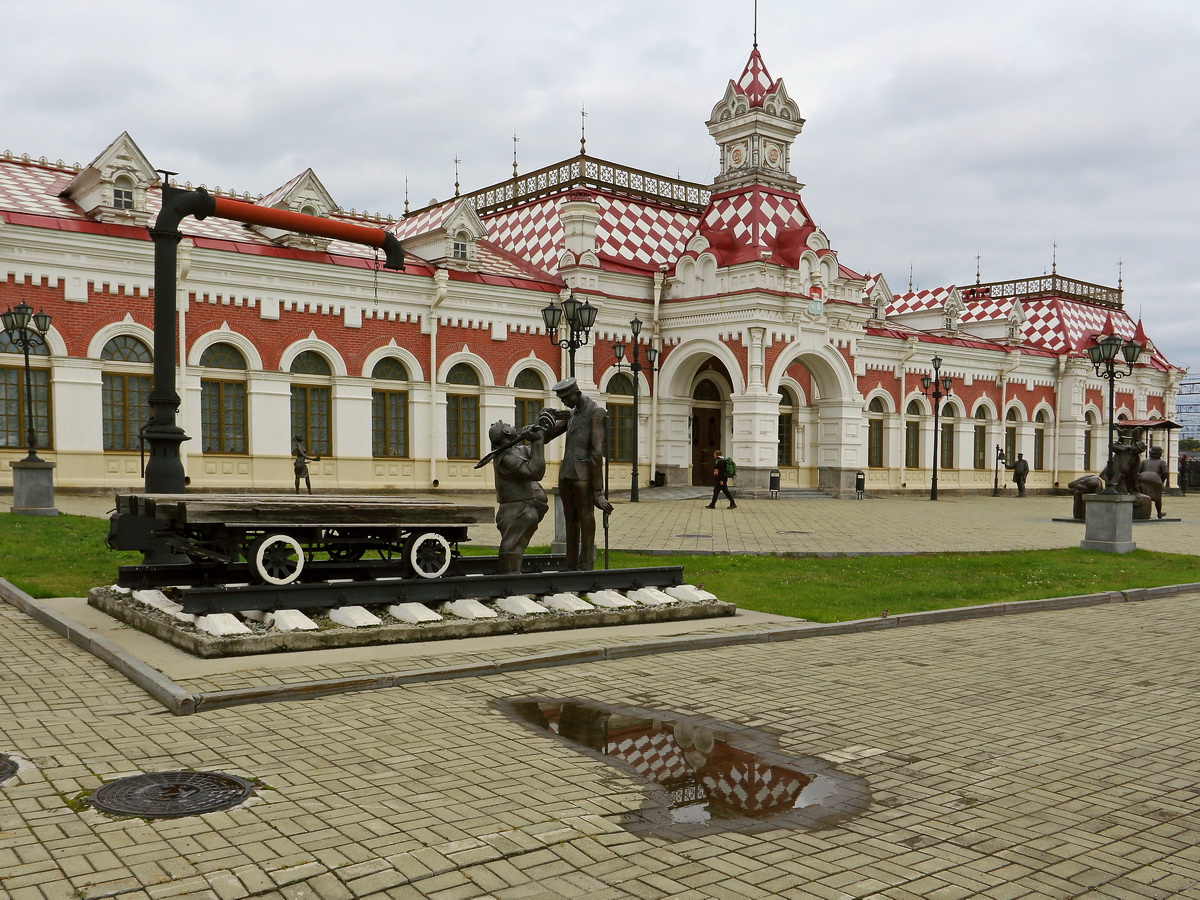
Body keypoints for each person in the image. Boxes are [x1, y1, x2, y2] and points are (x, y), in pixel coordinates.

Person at [540, 377, 613, 570]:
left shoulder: (596, 413)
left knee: (586, 519)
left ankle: (586, 564)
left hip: (583, 477)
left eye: (566, 398)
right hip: (566, 475)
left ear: (577, 394)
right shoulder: (571, 414)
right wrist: (545, 420)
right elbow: (546, 437)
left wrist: (597, 491)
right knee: (570, 520)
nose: (564, 402)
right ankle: (571, 563)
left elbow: (597, 452)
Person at [489, 420, 549, 573]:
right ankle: (510, 580)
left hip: (526, 509)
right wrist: (536, 442)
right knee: (512, 545)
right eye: (508, 425)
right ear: (507, 433)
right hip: (517, 511)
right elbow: (536, 472)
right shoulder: (507, 457)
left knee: (517, 544)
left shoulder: (517, 450)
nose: (512, 425)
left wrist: (544, 425)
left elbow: (543, 437)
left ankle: (512, 578)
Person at [1138, 446, 1170, 519]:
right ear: (1160, 454)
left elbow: (1138, 471)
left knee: (1143, 496)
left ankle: (1143, 513)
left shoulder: (1144, 461)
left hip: (1143, 477)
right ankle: (1159, 513)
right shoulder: (1162, 462)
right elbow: (1165, 472)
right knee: (1158, 498)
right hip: (1155, 478)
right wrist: (1161, 480)